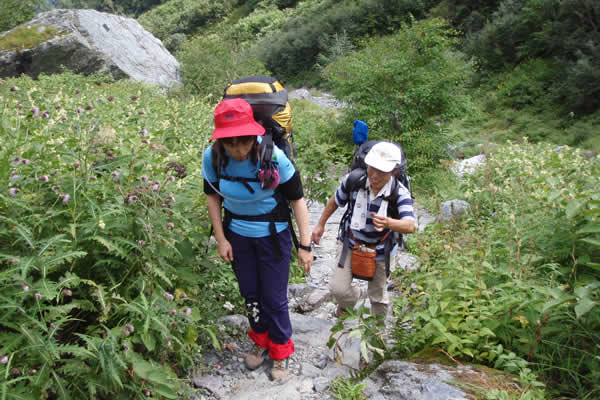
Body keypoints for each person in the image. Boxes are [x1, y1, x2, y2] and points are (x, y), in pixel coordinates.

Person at [202, 98, 314, 381]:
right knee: (250, 294)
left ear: (255, 134)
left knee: (274, 299)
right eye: (230, 143)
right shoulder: (213, 157)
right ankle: (261, 341)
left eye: (244, 142)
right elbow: (212, 196)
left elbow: (298, 200)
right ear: (220, 142)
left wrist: (305, 245)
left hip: (273, 237)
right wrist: (220, 238)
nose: (238, 150)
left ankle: (281, 351)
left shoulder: (274, 156)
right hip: (237, 236)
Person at [311, 141, 415, 319]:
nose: (374, 175)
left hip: (382, 250)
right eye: (371, 168)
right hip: (349, 243)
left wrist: (389, 223)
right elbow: (335, 201)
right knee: (338, 289)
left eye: (381, 171)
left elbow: (410, 225)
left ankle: (377, 336)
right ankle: (351, 300)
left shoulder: (399, 193)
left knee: (378, 296)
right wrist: (320, 224)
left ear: (394, 171)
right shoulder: (354, 180)